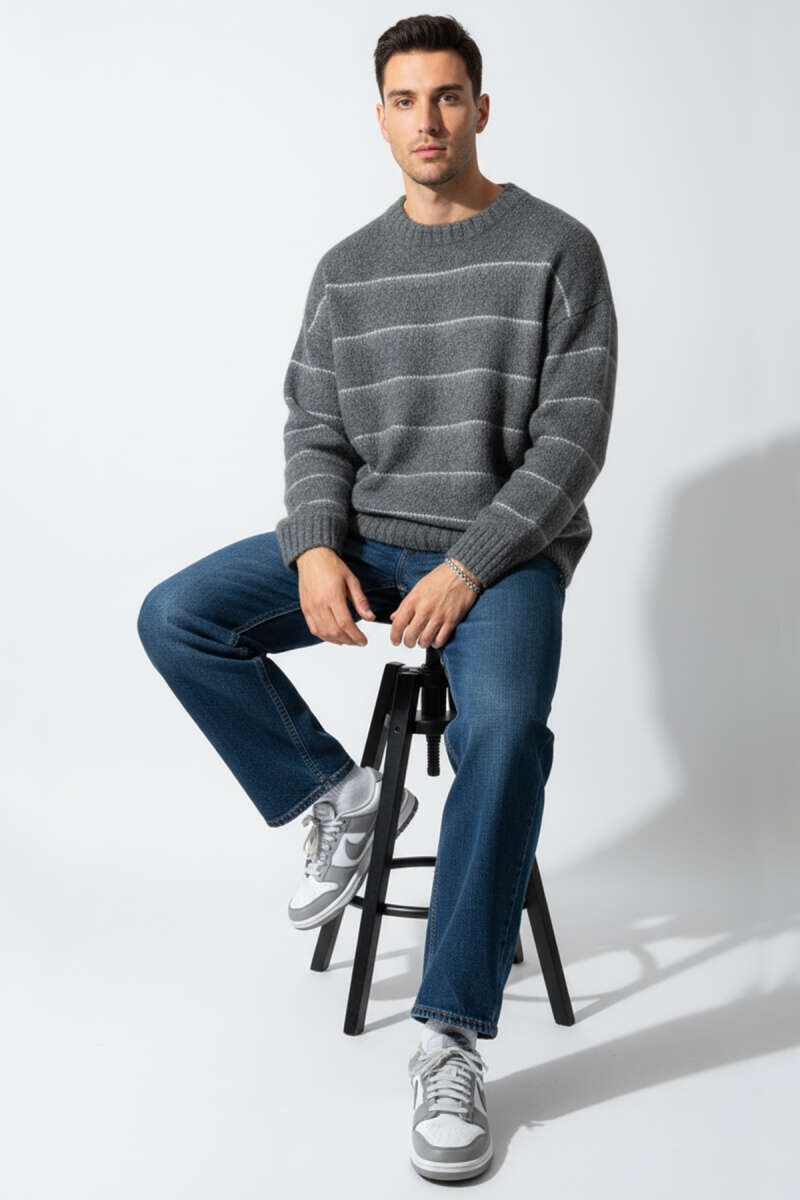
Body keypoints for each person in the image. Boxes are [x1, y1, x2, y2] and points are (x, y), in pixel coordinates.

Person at [137, 13, 617, 1184]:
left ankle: (448, 1037)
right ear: (380, 116)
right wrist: (312, 548)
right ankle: (342, 795)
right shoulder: (347, 270)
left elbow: (569, 442)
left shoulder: (555, 249)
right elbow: (314, 427)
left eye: (446, 96)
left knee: (504, 728)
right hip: (366, 541)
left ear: (480, 108)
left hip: (502, 558)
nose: (426, 120)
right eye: (405, 100)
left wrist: (468, 565)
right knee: (176, 618)